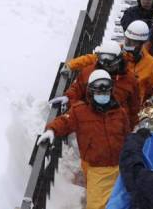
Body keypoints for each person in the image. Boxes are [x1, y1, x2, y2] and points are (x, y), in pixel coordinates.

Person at [37, 69, 130, 209]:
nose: (103, 95)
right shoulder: (80, 111)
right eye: (99, 91)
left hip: (120, 168)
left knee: (122, 202)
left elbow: (127, 136)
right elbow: (65, 121)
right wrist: (52, 130)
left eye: (106, 91)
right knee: (97, 205)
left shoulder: (120, 112)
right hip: (97, 169)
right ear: (91, 92)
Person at [51, 40, 140, 129]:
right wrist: (68, 97)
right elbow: (78, 87)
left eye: (110, 64)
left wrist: (131, 126)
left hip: (117, 124)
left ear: (118, 60)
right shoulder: (88, 72)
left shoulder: (130, 80)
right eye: (103, 63)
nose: (107, 67)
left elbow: (134, 106)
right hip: (91, 121)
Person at [123, 20, 153, 103]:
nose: (128, 44)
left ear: (141, 44)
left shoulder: (150, 64)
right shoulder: (115, 53)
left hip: (135, 107)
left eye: (132, 42)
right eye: (127, 40)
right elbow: (93, 59)